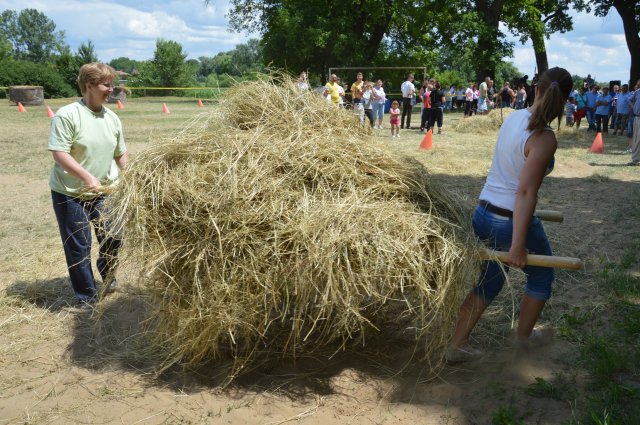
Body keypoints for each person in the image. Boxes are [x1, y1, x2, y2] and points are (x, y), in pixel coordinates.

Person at [446, 67, 574, 363]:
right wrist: (517, 244)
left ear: (535, 90)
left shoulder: (513, 117)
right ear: (564, 99)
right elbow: (526, 193)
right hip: (509, 221)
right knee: (541, 276)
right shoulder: (543, 137)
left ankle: (456, 345)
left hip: (484, 211)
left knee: (488, 281)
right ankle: (523, 341)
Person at [49, 62, 128, 307]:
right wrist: (86, 177)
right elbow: (60, 153)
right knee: (79, 245)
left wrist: (135, 174)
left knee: (114, 236)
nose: (111, 89)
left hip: (105, 191)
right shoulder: (68, 115)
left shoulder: (112, 118)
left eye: (112, 84)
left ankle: (107, 272)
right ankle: (87, 296)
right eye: (106, 84)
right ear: (89, 85)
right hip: (71, 192)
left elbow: (120, 154)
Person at [627, 79, 640, 166]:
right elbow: (630, 100)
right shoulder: (637, 91)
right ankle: (636, 160)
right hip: (637, 118)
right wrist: (634, 107)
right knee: (636, 139)